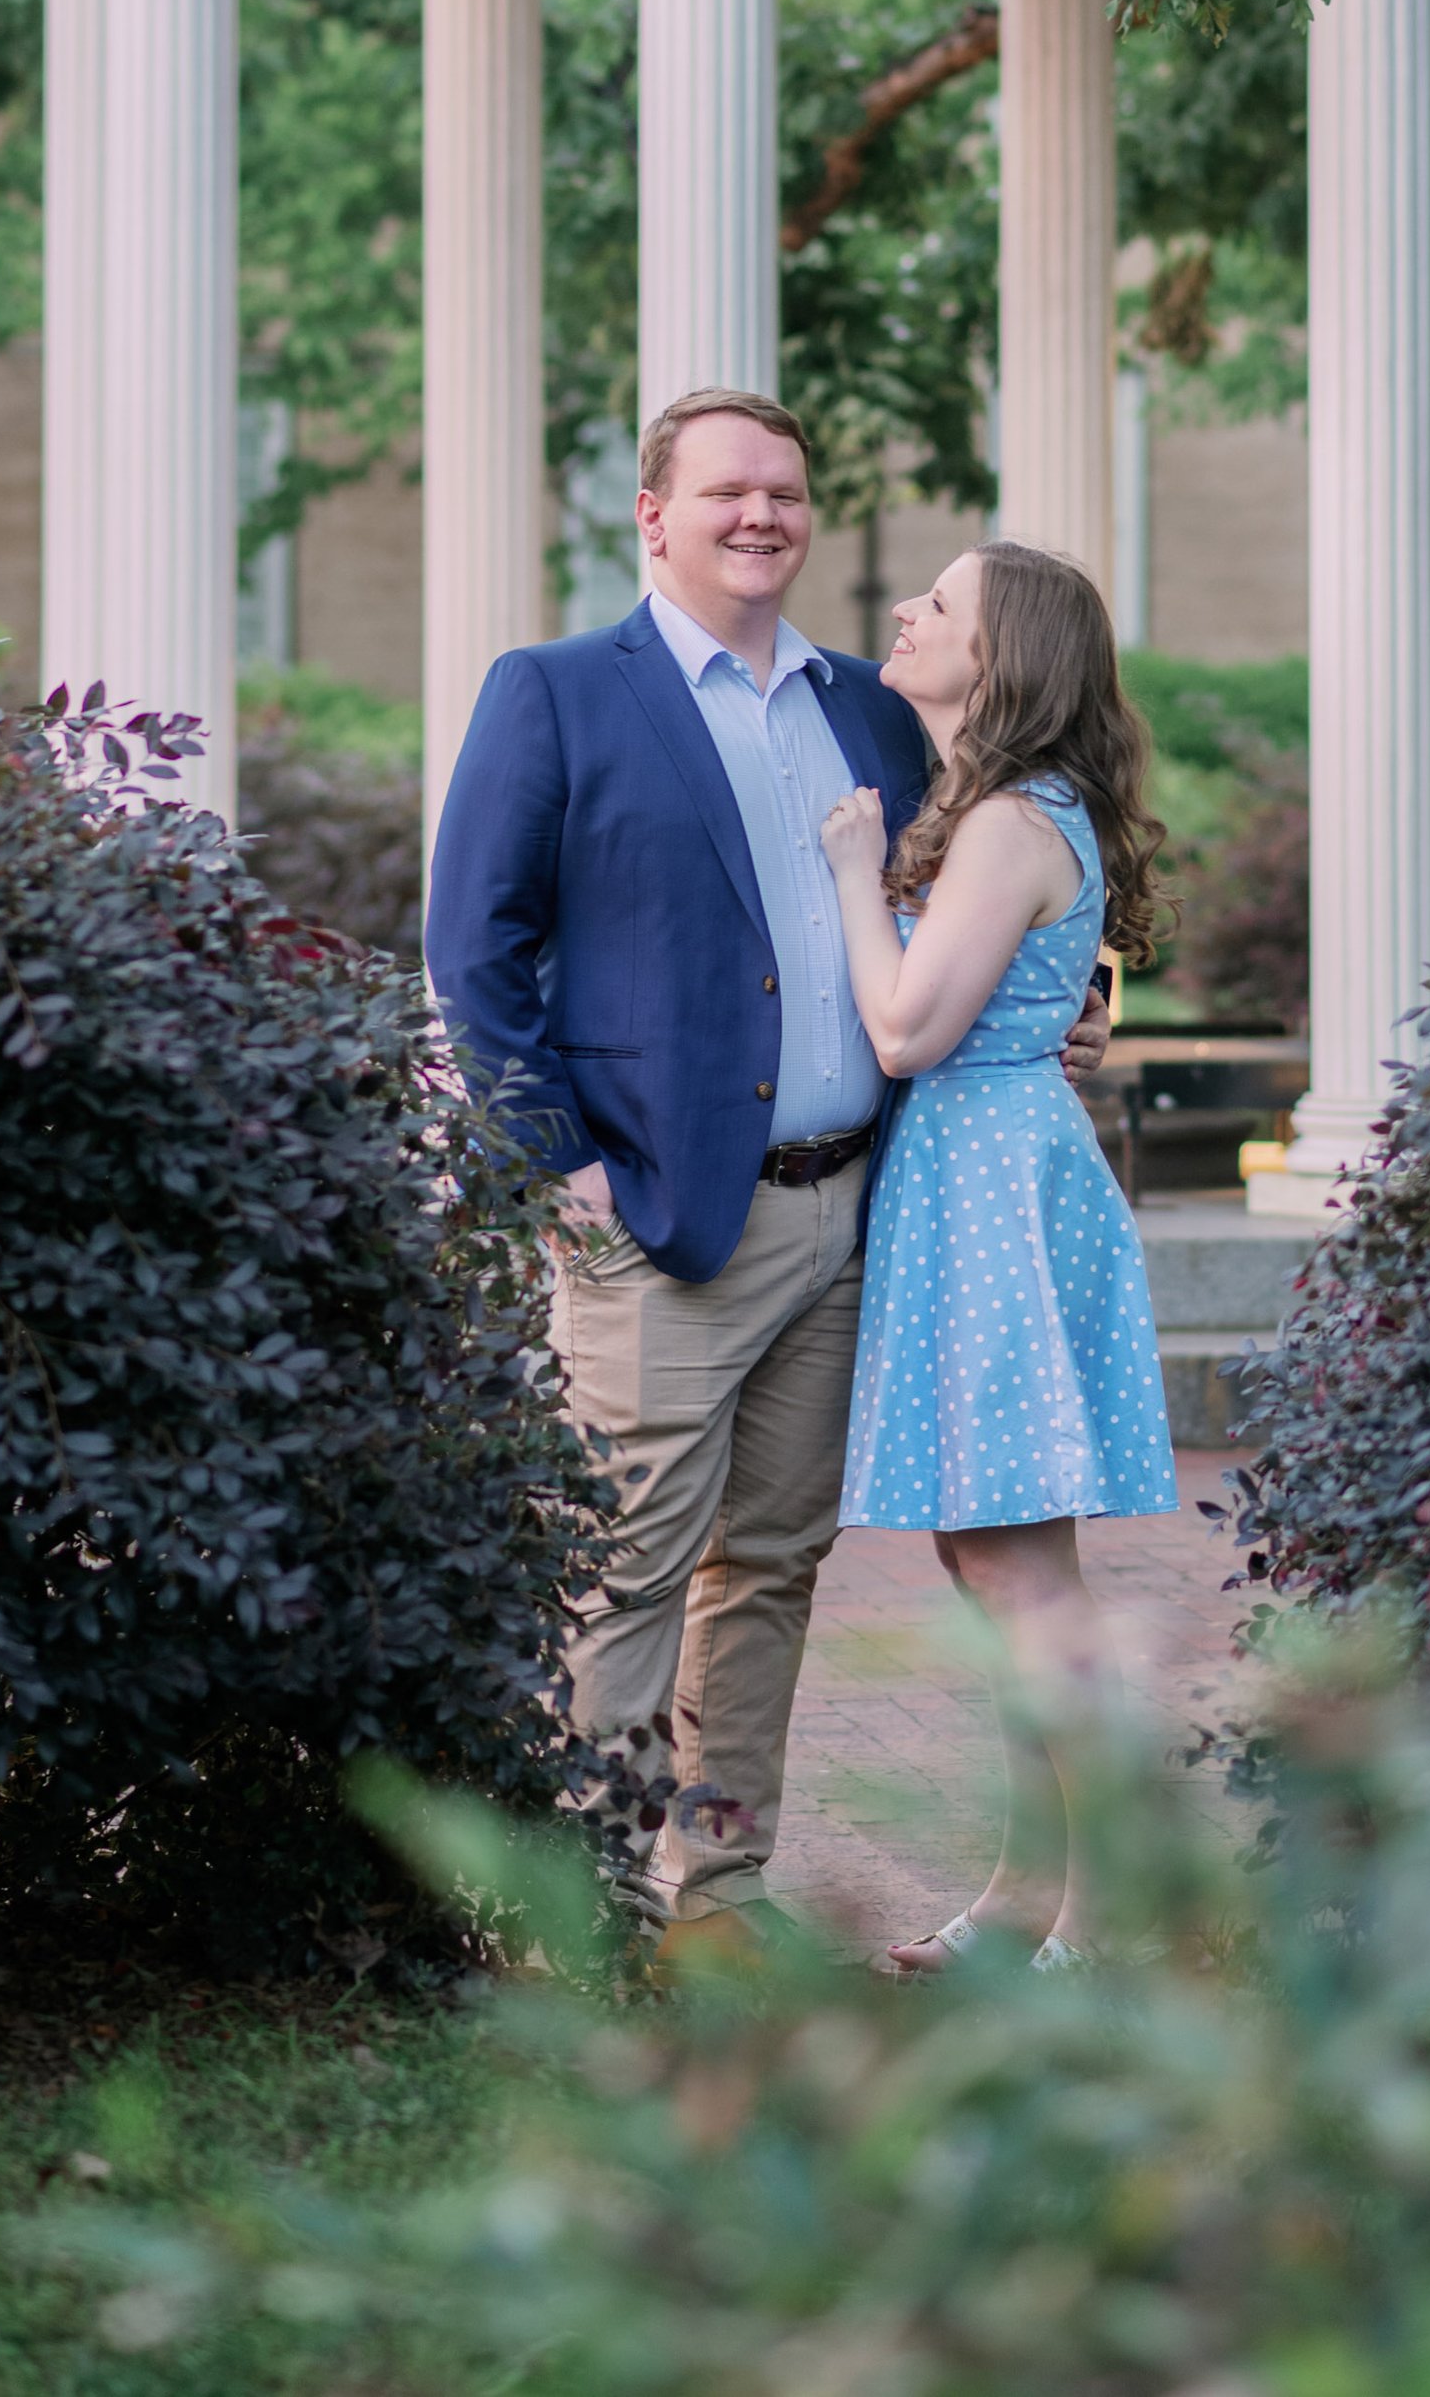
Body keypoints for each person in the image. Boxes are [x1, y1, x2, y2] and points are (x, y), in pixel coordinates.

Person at [425, 389, 1108, 1958]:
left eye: (787, 491)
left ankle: (711, 1887)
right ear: (651, 515)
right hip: (655, 1217)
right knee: (631, 1563)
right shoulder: (554, 693)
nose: (763, 515)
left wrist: (1052, 1025)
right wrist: (559, 1166)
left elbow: (987, 905)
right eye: (728, 488)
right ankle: (578, 1913)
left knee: (772, 1568)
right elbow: (477, 950)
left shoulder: (871, 706)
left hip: (854, 1206)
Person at [819, 538, 1177, 1974]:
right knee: (987, 1567)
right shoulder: (1016, 811)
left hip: (990, 1178)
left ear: (1003, 656)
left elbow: (906, 1027)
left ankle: (1107, 1910)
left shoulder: (1013, 819)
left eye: (942, 603)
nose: (907, 610)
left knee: (1025, 1583)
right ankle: (1030, 1892)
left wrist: (854, 868)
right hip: (979, 1166)